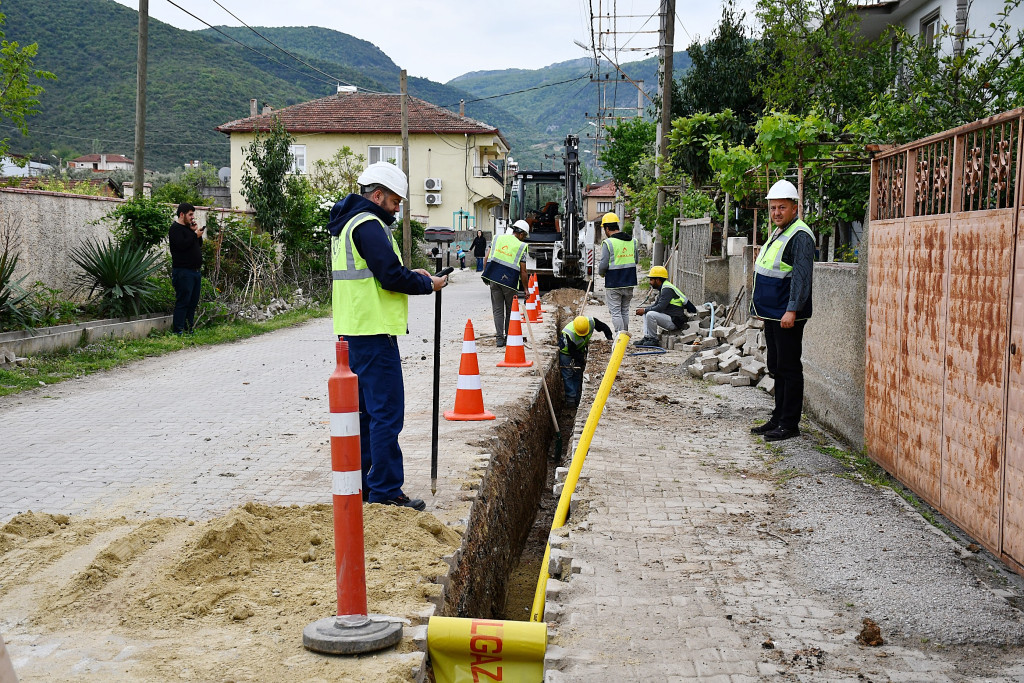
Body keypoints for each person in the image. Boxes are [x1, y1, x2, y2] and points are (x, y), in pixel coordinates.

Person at [328, 161, 447, 511]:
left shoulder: (347, 223)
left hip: (352, 331)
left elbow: (380, 270)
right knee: (386, 413)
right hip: (374, 333)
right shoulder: (369, 224)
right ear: (377, 195)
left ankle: (366, 487)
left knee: (366, 414)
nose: (397, 209)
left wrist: (411, 272)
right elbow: (389, 277)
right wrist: (428, 283)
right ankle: (385, 490)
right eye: (395, 201)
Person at [749, 179, 814, 443]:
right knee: (776, 365)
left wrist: (792, 311)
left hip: (787, 315)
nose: (776, 212)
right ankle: (778, 418)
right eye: (773, 208)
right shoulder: (780, 232)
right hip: (773, 314)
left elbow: (801, 278)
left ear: (795, 207)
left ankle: (789, 424)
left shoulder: (800, 236)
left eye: (782, 207)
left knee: (789, 368)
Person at [481, 220, 529, 347]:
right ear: (521, 234)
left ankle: (499, 339)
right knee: (510, 310)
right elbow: (523, 271)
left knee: (497, 310)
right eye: (524, 235)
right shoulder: (521, 246)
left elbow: (486, 258)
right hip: (509, 283)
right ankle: (509, 337)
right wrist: (526, 289)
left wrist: (487, 275)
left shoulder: (497, 238)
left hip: (494, 280)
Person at [634, 266, 696, 347]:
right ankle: (647, 337)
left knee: (649, 314)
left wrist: (645, 310)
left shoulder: (667, 290)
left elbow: (660, 307)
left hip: (675, 322)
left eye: (651, 280)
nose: (650, 282)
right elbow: (655, 305)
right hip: (669, 318)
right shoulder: (663, 288)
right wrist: (645, 310)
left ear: (658, 280)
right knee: (647, 312)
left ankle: (653, 340)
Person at [597, 212, 637, 336]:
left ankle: (620, 338)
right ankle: (624, 338)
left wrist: (601, 273)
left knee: (615, 312)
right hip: (629, 280)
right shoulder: (633, 241)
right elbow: (636, 260)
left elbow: (603, 264)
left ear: (607, 228)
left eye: (604, 229)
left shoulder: (608, 243)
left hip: (614, 282)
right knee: (624, 311)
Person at [559, 315, 613, 408]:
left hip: (579, 350)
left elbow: (604, 327)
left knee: (577, 374)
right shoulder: (569, 333)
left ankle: (577, 397)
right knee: (568, 375)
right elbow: (573, 352)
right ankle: (570, 399)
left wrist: (610, 339)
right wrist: (582, 360)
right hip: (566, 352)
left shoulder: (591, 322)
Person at [168, 202, 203, 334]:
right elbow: (181, 245)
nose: (192, 217)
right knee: (183, 301)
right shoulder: (175, 229)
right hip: (183, 272)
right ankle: (178, 330)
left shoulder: (189, 229)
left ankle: (189, 328)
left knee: (192, 302)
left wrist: (195, 233)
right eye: (190, 214)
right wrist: (194, 235)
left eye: (193, 214)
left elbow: (197, 245)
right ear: (182, 214)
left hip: (195, 272)